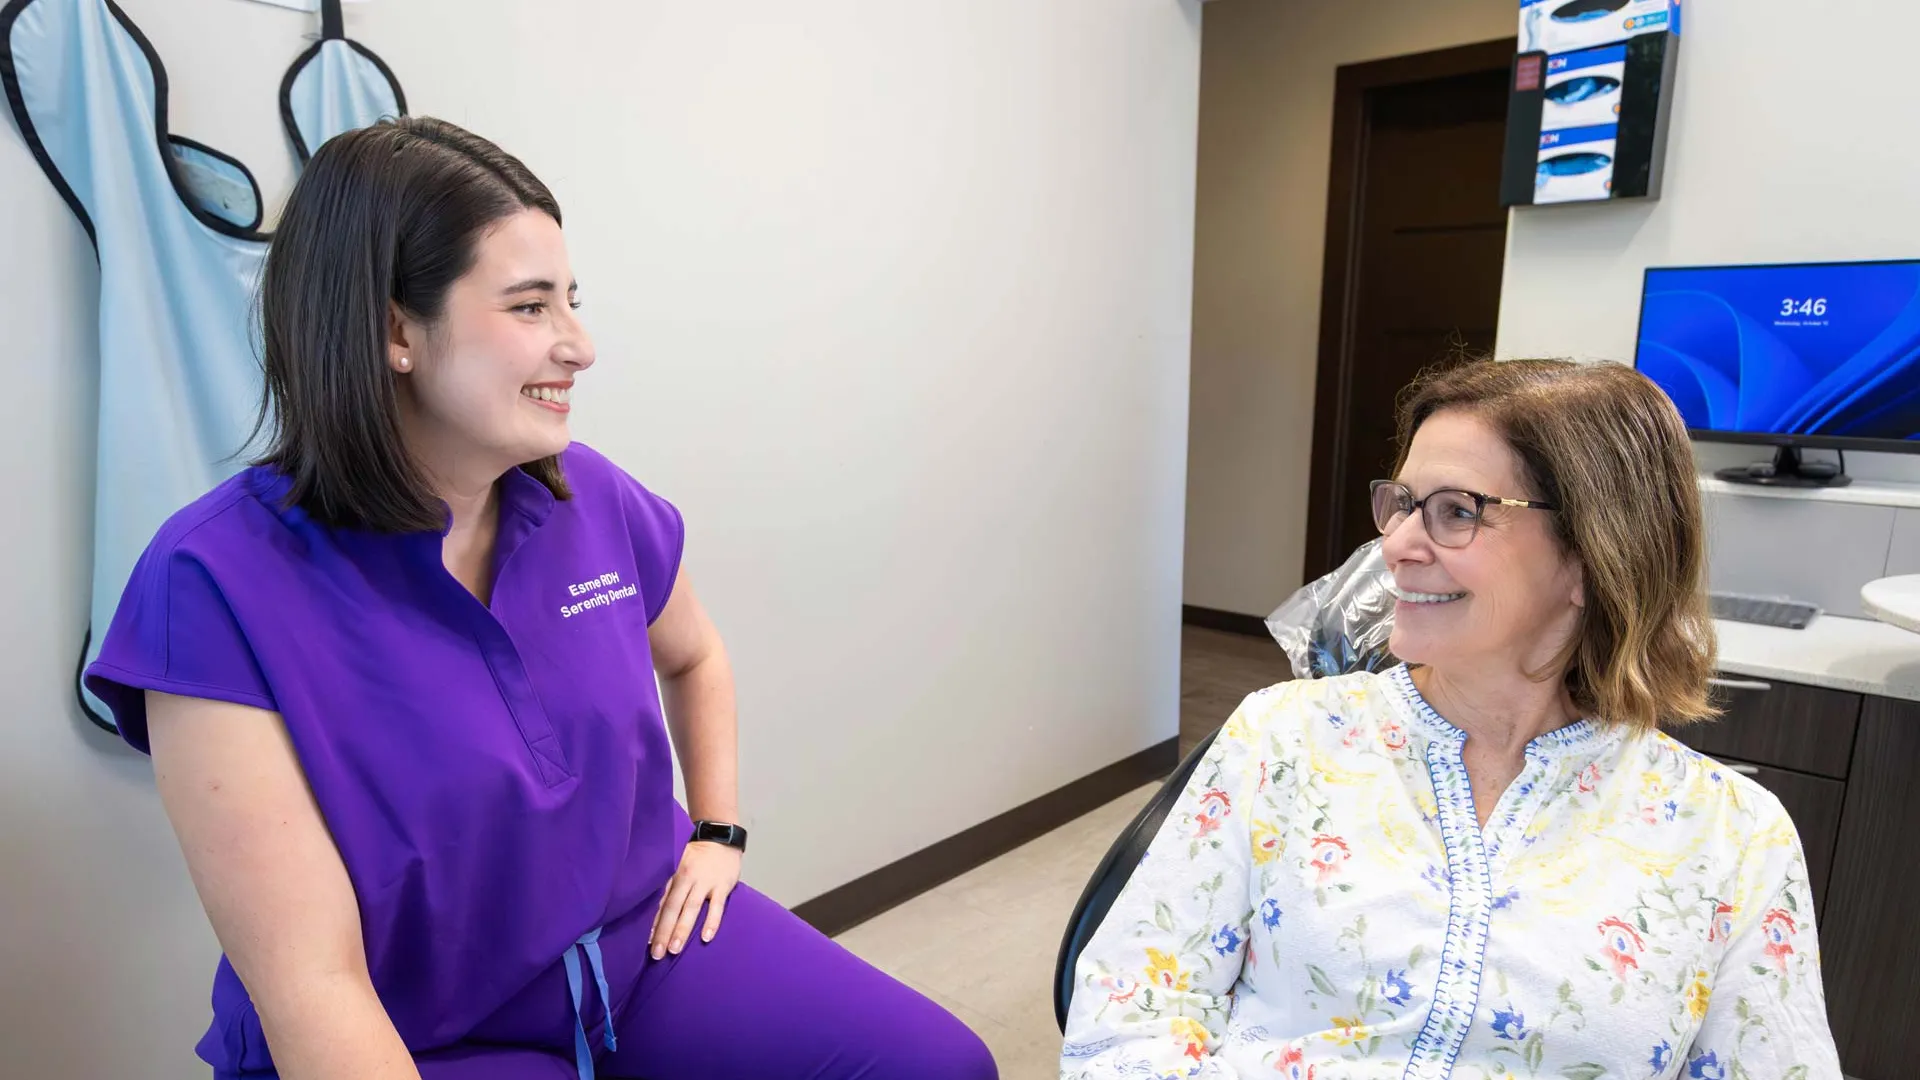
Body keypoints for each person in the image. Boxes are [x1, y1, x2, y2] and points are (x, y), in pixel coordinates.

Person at [83, 116, 998, 1080]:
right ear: (395, 329)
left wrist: (718, 831)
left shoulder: (586, 494)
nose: (580, 345)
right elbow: (315, 987)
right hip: (420, 1034)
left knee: (941, 1066)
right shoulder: (213, 586)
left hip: (637, 954)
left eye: (572, 300)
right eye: (530, 308)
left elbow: (694, 656)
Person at [1059, 358, 1844, 1079]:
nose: (1395, 544)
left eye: (1454, 511)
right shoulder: (1282, 738)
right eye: (1400, 504)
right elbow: (1126, 1021)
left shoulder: (1732, 838)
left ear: (1591, 556)